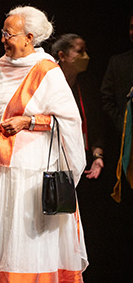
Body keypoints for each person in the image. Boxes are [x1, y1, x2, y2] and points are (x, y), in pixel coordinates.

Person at [0, 6, 88, 283]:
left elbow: (67, 121)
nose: (3, 39)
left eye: (9, 34)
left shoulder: (47, 70)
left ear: (30, 38)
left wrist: (29, 121)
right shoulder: (1, 66)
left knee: (31, 235)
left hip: (31, 171)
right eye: (3, 33)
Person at [51, 34, 104, 180]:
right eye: (80, 51)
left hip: (80, 157)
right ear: (62, 55)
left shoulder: (86, 86)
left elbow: (94, 123)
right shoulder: (48, 84)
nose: (85, 56)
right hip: (51, 157)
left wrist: (97, 157)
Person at [100, 11, 133, 138]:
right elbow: (107, 98)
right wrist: (123, 125)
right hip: (126, 140)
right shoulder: (118, 62)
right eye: (131, 27)